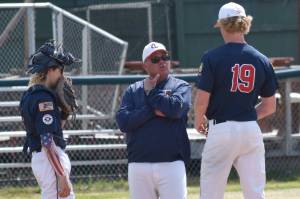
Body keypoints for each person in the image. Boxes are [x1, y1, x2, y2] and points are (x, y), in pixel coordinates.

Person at [194, 2, 278, 199]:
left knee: (211, 193)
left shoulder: (211, 57)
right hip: (250, 130)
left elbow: (201, 101)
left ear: (222, 25)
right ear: (245, 24)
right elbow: (269, 106)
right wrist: (245, 117)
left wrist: (199, 121)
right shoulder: (261, 59)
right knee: (255, 193)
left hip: (221, 128)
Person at [116, 42, 191, 199]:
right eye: (156, 59)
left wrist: (151, 94)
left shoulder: (180, 86)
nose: (162, 61)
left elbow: (176, 109)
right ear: (145, 65)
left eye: (165, 57)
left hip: (172, 163)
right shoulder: (133, 90)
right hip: (139, 164)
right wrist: (152, 110)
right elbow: (124, 122)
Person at [20, 40, 80, 199]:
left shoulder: (30, 94)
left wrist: (64, 114)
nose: (62, 75)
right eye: (60, 70)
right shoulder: (42, 98)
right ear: (51, 70)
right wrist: (61, 175)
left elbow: (53, 129)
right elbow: (47, 140)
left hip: (45, 158)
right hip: (49, 158)